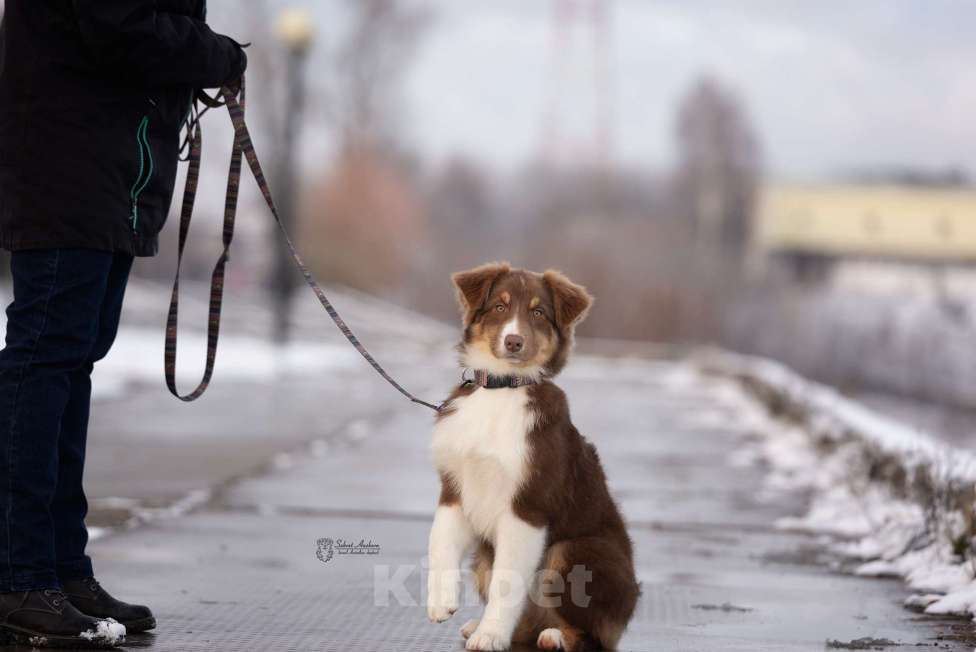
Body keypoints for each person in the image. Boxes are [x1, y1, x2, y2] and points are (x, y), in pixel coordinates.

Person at [0, 1, 246, 647]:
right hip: (70, 168)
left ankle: (58, 570)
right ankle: (19, 576)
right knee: (42, 366)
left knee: (66, 367)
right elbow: (117, 25)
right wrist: (215, 55)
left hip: (110, 173)